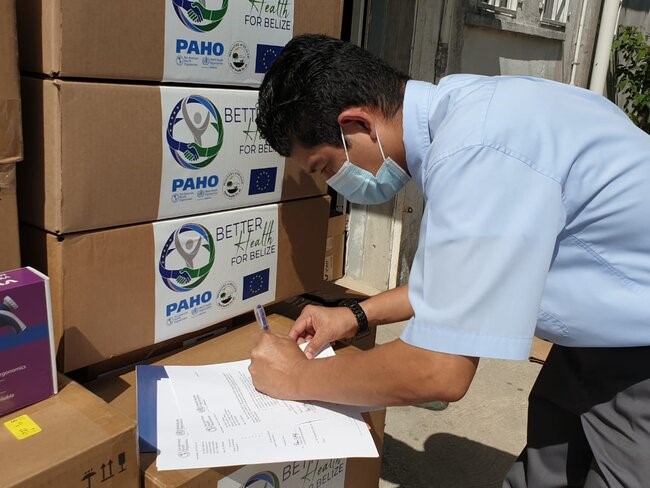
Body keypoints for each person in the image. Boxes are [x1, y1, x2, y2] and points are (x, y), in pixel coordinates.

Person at [248, 34, 650, 487]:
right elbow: (454, 286)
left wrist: (298, 376)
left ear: (356, 124)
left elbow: (439, 370)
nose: (334, 183)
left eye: (325, 166)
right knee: (545, 474)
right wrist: (354, 316)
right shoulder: (463, 111)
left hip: (638, 352)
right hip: (597, 334)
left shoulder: (476, 150)